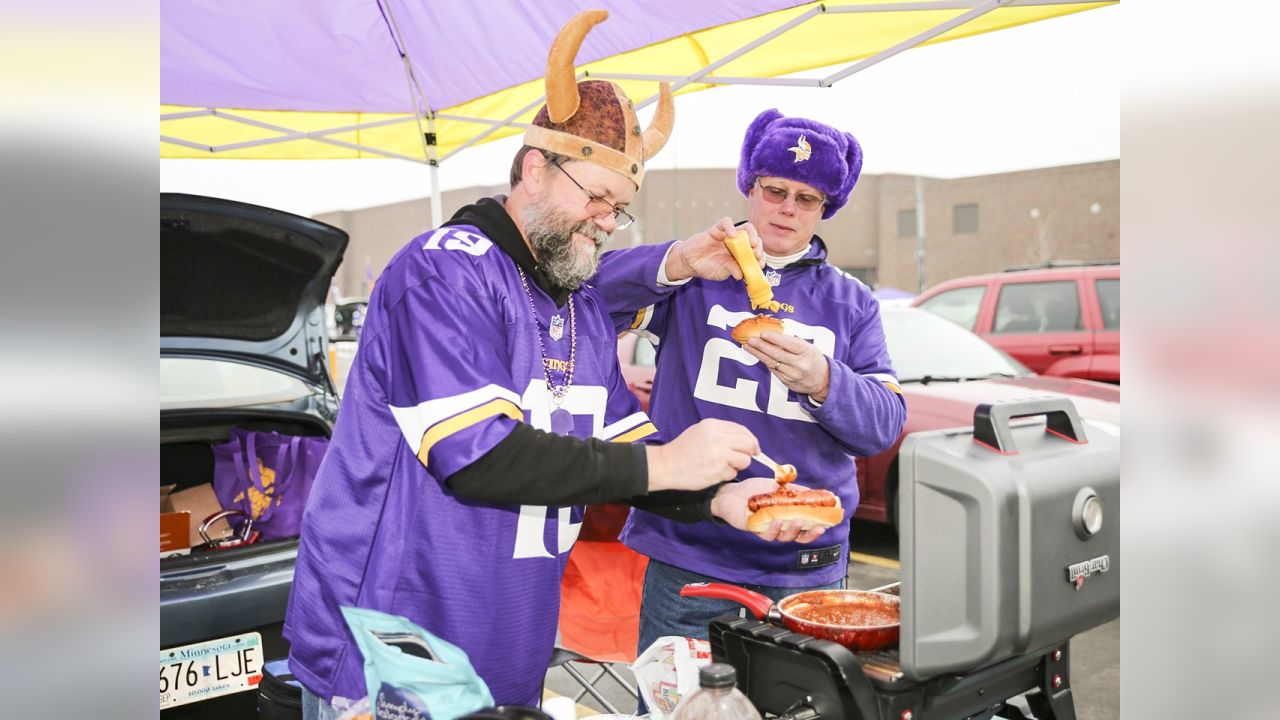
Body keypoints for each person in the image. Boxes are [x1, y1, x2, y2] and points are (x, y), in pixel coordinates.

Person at [282, 13, 804, 717]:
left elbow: (625, 454)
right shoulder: (442, 271)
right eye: (594, 196)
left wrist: (718, 498)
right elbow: (477, 458)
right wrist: (672, 466)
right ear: (534, 168)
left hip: (511, 639)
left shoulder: (577, 301)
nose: (604, 219)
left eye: (618, 210)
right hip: (394, 636)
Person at [594, 108, 909, 653]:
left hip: (804, 562)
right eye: (774, 189)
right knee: (682, 711)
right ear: (750, 187)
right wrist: (679, 259)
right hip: (689, 551)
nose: (787, 207)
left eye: (806, 198)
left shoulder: (852, 300)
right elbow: (587, 298)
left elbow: (883, 427)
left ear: (825, 207)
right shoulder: (698, 275)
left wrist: (824, 379)